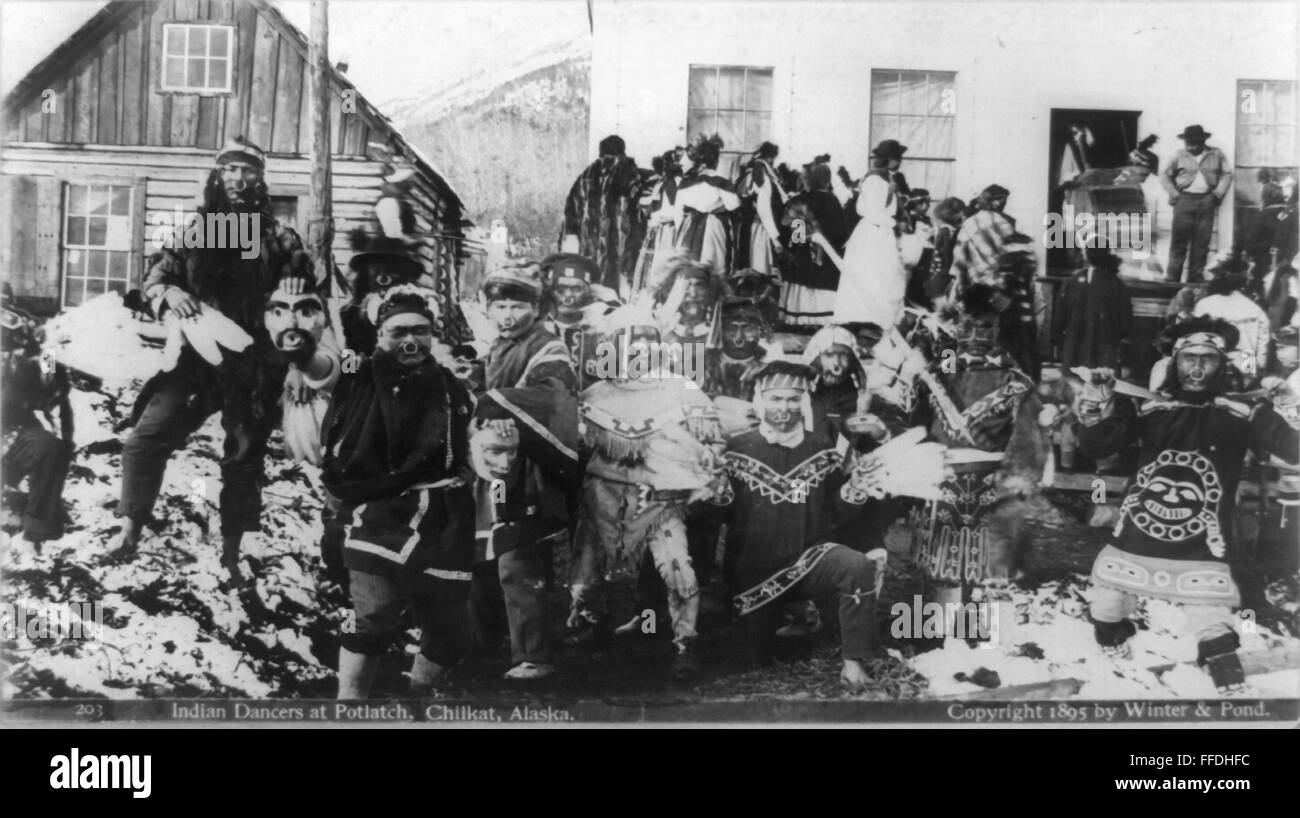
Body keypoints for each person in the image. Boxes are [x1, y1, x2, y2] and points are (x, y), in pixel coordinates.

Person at [114, 137, 303, 585]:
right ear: (217, 176)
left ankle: (233, 551)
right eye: (230, 169)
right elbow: (153, 279)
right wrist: (170, 291)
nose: (238, 179)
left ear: (260, 179)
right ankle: (128, 528)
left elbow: (303, 306)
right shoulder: (194, 230)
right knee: (145, 439)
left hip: (255, 364)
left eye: (248, 170)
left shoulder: (278, 238)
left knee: (242, 459)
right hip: (196, 360)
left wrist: (297, 362)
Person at [1074, 316, 1299, 690]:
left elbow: (1292, 449)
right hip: (1138, 532)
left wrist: (1288, 407)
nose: (1196, 368)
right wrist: (1096, 402)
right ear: (1174, 363)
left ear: (1222, 363)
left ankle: (1230, 690)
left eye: (1207, 359)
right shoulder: (1149, 409)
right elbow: (1096, 447)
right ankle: (1114, 647)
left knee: (1213, 624)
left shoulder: (1244, 413)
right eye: (1188, 358)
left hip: (1203, 541)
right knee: (1107, 609)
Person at [317, 291, 476, 698]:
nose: (410, 340)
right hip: (376, 511)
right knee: (373, 615)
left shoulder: (452, 388)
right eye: (398, 331)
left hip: (443, 513)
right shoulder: (359, 376)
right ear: (379, 335)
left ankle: (415, 698)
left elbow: (473, 444)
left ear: (433, 334)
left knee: (450, 628)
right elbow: (321, 368)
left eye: (420, 331)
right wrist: (302, 348)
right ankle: (348, 708)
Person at [716, 360, 901, 691]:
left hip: (811, 561)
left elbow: (836, 513)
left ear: (803, 402)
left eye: (792, 399)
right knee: (748, 659)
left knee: (856, 566)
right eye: (775, 399)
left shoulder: (822, 447)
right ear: (760, 400)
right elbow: (720, 516)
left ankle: (853, 663)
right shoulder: (736, 448)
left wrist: (855, 489)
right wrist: (713, 491)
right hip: (754, 575)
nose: (784, 407)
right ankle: (779, 620)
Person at [566, 307, 729, 680]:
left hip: (661, 499)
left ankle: (685, 643)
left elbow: (713, 443)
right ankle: (589, 624)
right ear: (613, 346)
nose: (639, 349)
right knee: (585, 578)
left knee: (678, 568)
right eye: (629, 341)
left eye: (648, 341)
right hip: (603, 497)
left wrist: (704, 459)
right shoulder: (594, 393)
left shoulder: (682, 389)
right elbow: (573, 445)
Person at [911, 284, 1053, 618]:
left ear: (998, 329)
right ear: (955, 325)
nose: (976, 334)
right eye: (968, 325)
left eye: (985, 326)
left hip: (990, 482)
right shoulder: (938, 373)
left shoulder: (1014, 379)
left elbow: (1027, 439)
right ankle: (941, 628)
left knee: (988, 560)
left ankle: (981, 626)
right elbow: (915, 420)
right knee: (942, 559)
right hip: (941, 478)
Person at [471, 262, 581, 673]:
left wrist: (496, 402)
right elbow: (486, 385)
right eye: (499, 306)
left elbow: (554, 398)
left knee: (518, 557)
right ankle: (484, 639)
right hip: (497, 463)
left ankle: (533, 654)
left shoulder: (548, 346)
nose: (508, 315)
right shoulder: (499, 344)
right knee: (486, 549)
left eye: (518, 305)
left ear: (536, 307)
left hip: (530, 467)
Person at [1, 299, 73, 549]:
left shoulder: (16, 326)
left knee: (50, 448)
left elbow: (50, 377)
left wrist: (49, 362)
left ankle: (36, 530)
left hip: (12, 433)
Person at [834, 140, 909, 329]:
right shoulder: (875, 180)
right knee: (873, 274)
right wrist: (894, 223)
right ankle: (865, 317)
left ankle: (879, 317)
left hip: (881, 232)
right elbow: (870, 211)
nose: (899, 162)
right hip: (873, 232)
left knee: (883, 275)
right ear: (889, 159)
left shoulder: (886, 178)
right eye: (896, 158)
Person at [562, 135, 646, 293]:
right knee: (621, 275)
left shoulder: (585, 177)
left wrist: (571, 232)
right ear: (622, 151)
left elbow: (571, 209)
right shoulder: (631, 174)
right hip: (622, 241)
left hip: (591, 241)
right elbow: (640, 209)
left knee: (595, 276)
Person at [777, 159, 848, 327]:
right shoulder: (832, 201)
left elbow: (795, 234)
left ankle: (801, 318)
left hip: (803, 255)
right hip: (827, 254)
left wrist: (803, 242)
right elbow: (841, 232)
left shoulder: (799, 201)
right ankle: (824, 319)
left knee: (803, 278)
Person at [1160, 125, 1233, 283]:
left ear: (1203, 141)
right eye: (1188, 142)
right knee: (1179, 242)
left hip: (1206, 201)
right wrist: (1175, 194)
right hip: (1184, 200)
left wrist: (1217, 194)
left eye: (1194, 142)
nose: (1191, 146)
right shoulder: (1179, 155)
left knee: (1201, 242)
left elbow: (1227, 174)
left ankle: (1195, 279)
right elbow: (1165, 175)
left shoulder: (1216, 154)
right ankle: (1172, 279)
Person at [672, 134, 741, 279]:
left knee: (688, 267)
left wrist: (682, 229)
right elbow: (734, 204)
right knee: (715, 265)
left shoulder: (686, 182)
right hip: (714, 228)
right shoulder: (721, 181)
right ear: (715, 160)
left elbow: (677, 213)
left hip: (689, 227)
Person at [1193, 257, 1270, 384]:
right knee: (1246, 392)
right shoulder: (1254, 308)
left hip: (1213, 357)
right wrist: (1260, 365)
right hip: (1247, 357)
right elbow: (1263, 342)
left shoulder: (1205, 305)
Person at [1055, 248, 1133, 370]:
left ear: (1086, 255)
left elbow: (1060, 318)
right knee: (1102, 383)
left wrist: (1058, 337)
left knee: (1074, 382)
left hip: (1075, 346)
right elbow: (1125, 322)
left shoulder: (1071, 282)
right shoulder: (1117, 284)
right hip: (1105, 346)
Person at [734, 142, 786, 277]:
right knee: (760, 268)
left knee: (752, 267)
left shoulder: (751, 170)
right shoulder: (762, 175)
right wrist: (775, 237)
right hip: (761, 227)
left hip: (750, 224)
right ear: (771, 158)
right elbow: (764, 208)